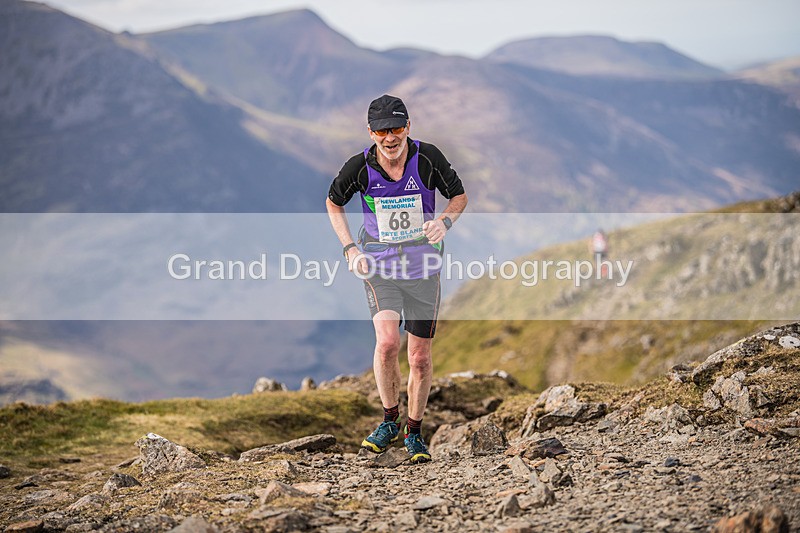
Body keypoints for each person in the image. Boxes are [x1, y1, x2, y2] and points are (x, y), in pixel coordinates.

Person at [325, 94, 468, 464]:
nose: (390, 137)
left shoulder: (428, 158)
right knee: (388, 343)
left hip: (424, 269)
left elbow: (459, 197)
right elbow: (333, 202)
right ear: (370, 132)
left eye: (397, 128)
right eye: (382, 131)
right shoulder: (359, 167)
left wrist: (444, 222)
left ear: (408, 127)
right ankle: (389, 420)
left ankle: (414, 433)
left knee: (419, 357)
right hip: (380, 267)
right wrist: (350, 249)